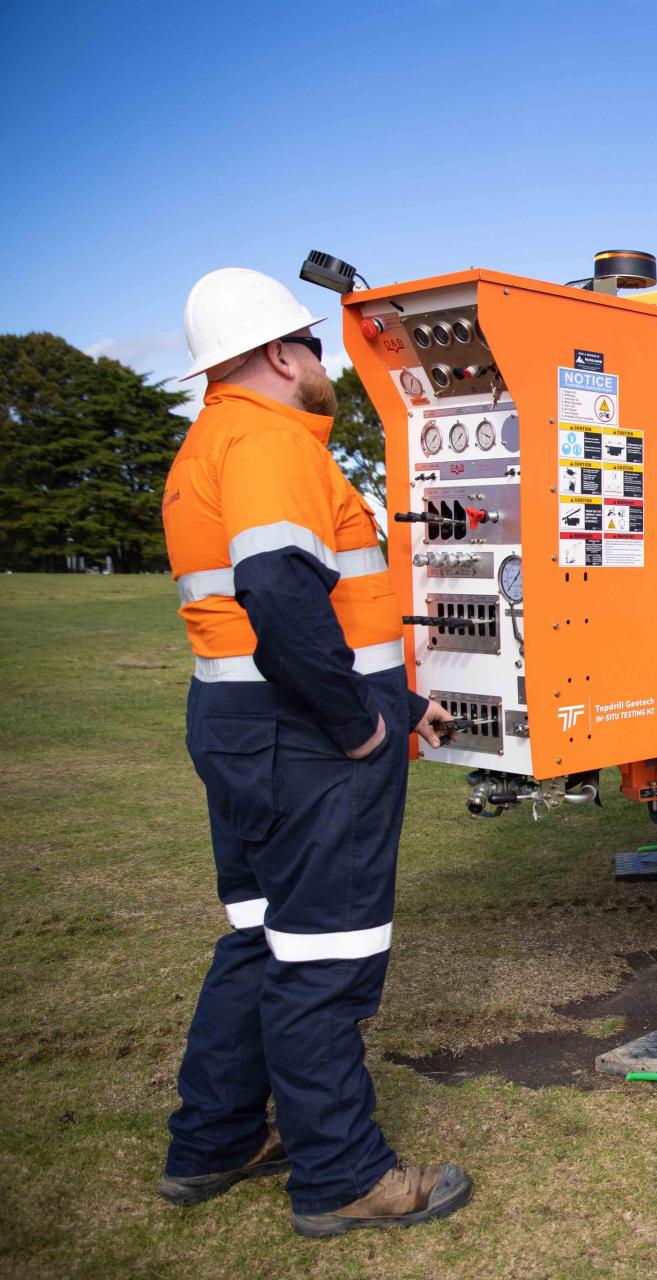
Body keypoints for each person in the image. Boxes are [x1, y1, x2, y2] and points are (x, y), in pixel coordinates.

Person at [155, 267, 471, 1237]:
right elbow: (285, 600)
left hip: (247, 730)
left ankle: (214, 1140)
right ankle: (342, 1175)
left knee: (260, 943)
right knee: (322, 958)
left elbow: (308, 614)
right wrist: (360, 724)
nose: (323, 366)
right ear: (284, 354)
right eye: (316, 347)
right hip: (307, 742)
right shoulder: (270, 440)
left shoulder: (210, 441)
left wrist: (401, 701)